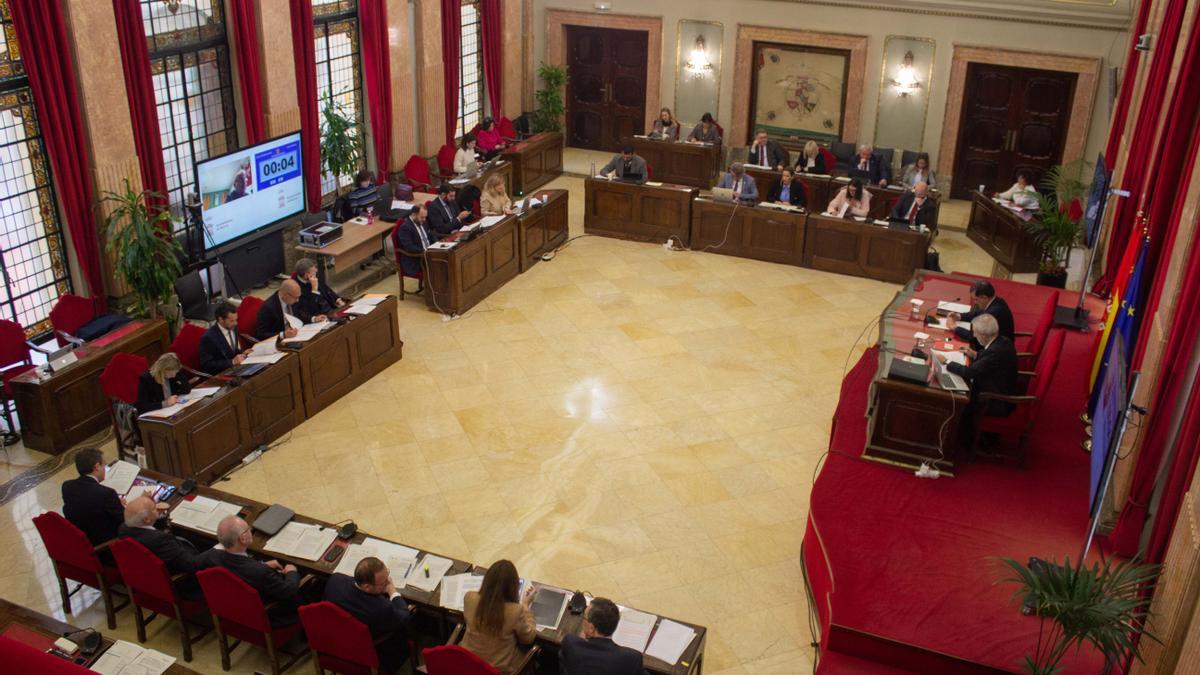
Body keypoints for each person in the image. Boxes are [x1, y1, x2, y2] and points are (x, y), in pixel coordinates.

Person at [199, 515, 302, 626]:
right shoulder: (260, 572)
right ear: (243, 539)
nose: (250, 531)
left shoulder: (212, 556)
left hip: (233, 610)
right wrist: (292, 572)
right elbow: (288, 591)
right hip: (268, 616)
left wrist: (261, 565)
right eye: (249, 529)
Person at [323, 557, 413, 673]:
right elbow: (404, 616)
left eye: (388, 576)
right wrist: (392, 591)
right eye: (384, 582)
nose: (388, 581)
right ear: (367, 586)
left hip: (333, 642)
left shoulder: (335, 580)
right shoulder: (381, 608)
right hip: (369, 654)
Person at [460, 559, 537, 675]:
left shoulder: (469, 598)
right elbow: (528, 638)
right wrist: (525, 606)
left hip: (467, 662)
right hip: (496, 670)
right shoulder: (516, 611)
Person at [936, 314, 1018, 419]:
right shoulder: (1002, 340)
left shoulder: (994, 352)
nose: (974, 335)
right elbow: (990, 360)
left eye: (975, 332)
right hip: (997, 384)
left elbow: (969, 373)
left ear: (983, 335)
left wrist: (946, 361)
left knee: (954, 402)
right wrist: (975, 354)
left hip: (995, 400)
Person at [118, 495, 206, 578]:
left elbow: (149, 529)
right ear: (146, 519)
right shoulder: (160, 539)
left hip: (146, 573)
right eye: (154, 508)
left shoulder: (124, 528)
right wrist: (215, 550)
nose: (157, 508)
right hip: (181, 578)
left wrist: (157, 515)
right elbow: (191, 564)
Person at [560, 597, 647, 675]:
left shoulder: (571, 644)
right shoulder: (631, 658)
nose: (583, 620)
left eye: (584, 617)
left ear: (591, 628)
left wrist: (586, 635)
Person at [61, 448, 125, 546]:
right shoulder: (106, 493)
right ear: (97, 466)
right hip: (107, 544)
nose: (105, 469)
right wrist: (123, 506)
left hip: (82, 540)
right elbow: (125, 520)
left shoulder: (67, 486)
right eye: (104, 465)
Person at [949, 280, 1015, 348]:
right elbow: (977, 313)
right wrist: (959, 316)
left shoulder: (992, 313)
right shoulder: (995, 301)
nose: (974, 302)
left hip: (996, 350)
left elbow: (976, 337)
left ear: (984, 297)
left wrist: (955, 328)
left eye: (976, 299)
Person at [199, 301, 250, 374]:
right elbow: (207, 365)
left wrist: (243, 353)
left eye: (236, 320)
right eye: (232, 321)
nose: (236, 323)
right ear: (221, 320)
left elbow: (232, 351)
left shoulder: (233, 327)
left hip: (238, 368)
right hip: (223, 373)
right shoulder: (208, 338)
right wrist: (232, 361)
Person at [293, 258, 344, 323]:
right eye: (313, 271)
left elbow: (326, 288)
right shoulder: (296, 288)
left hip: (331, 307)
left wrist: (338, 299)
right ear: (307, 275)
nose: (316, 271)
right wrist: (314, 289)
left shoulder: (315, 275)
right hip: (319, 315)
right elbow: (308, 310)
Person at [393, 203, 433, 280]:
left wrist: (438, 244)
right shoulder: (405, 227)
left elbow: (430, 234)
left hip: (428, 254)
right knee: (441, 264)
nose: (424, 220)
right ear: (414, 215)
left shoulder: (422, 221)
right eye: (422, 217)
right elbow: (409, 247)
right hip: (416, 260)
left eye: (425, 217)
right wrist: (425, 251)